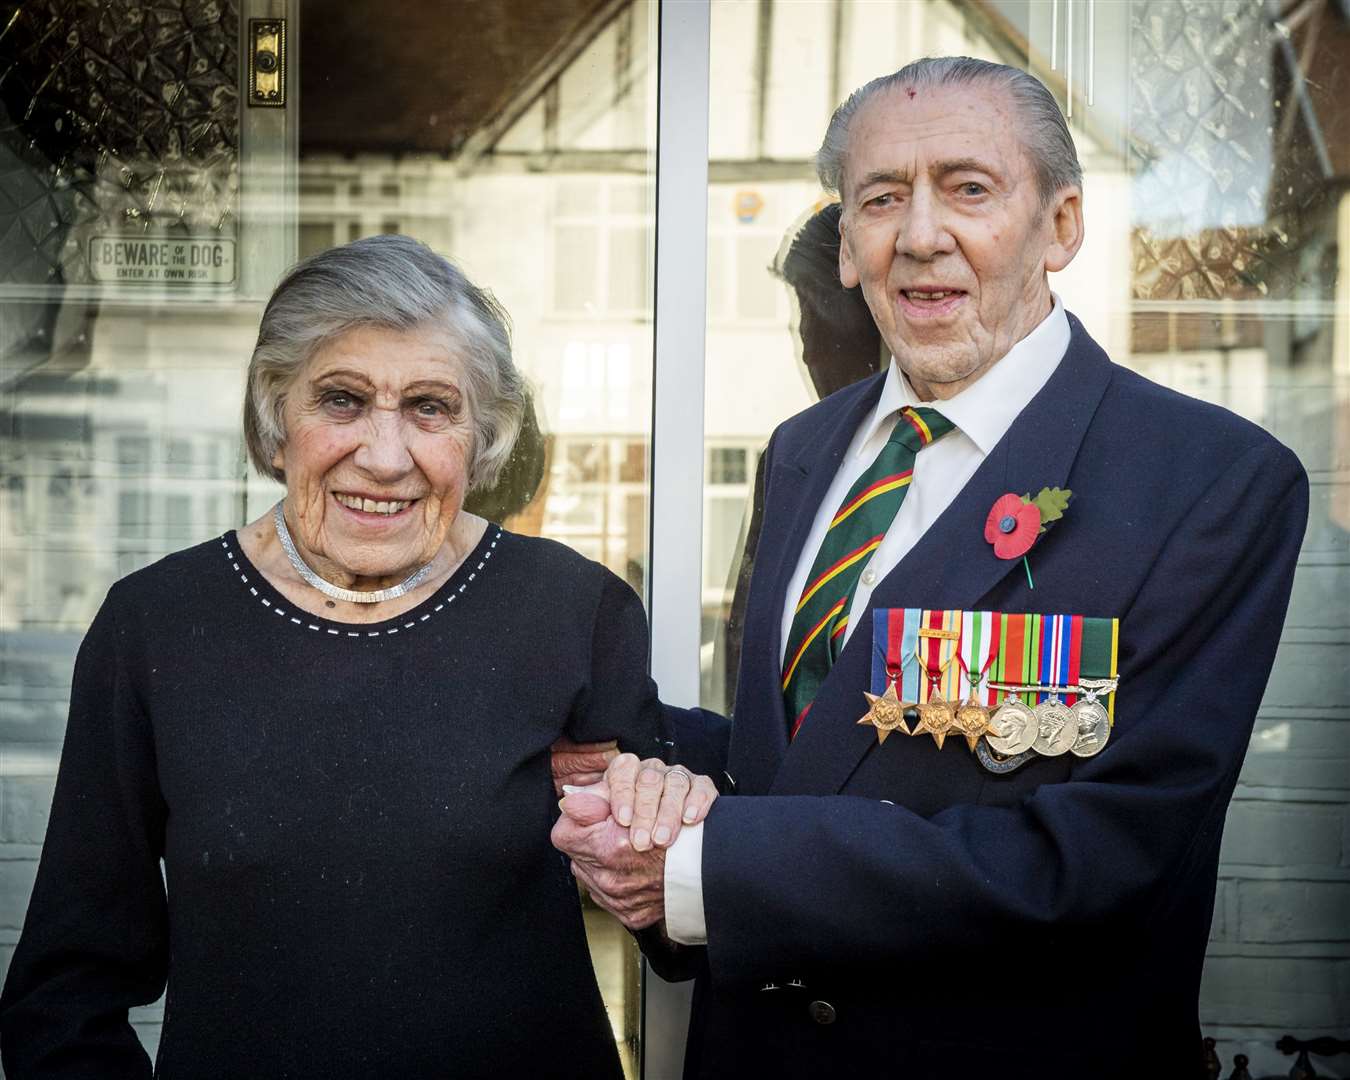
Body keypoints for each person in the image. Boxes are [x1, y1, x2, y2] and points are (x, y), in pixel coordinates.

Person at [552, 57, 1309, 1078]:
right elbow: (814, 749)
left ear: (1063, 225)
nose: (918, 235)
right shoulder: (802, 451)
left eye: (969, 188)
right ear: (851, 247)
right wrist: (629, 765)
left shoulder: (1209, 483)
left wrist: (703, 872)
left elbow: (1111, 859)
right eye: (879, 199)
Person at [0, 234, 718, 1079]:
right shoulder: (156, 626)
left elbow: (668, 929)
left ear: (481, 438)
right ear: (275, 420)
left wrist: (681, 837)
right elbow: (67, 988)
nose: (384, 455)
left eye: (430, 408)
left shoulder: (572, 610)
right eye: (340, 400)